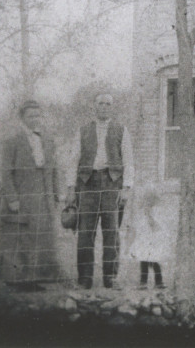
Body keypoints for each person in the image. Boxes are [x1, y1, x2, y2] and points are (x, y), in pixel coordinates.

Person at [66, 92, 134, 289]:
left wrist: (126, 188)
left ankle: (110, 277)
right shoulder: (83, 131)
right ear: (94, 107)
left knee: (111, 231)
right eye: (100, 103)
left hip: (112, 184)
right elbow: (73, 160)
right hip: (87, 184)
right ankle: (85, 277)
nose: (104, 106)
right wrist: (71, 188)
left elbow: (129, 161)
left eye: (108, 104)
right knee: (86, 231)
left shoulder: (121, 130)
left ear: (112, 107)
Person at [0, 100, 61, 290]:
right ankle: (16, 279)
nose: (35, 119)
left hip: (42, 196)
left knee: (39, 238)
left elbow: (54, 169)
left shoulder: (48, 140)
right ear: (22, 118)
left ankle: (34, 278)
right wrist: (12, 199)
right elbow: (6, 173)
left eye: (38, 115)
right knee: (18, 239)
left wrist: (56, 194)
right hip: (21, 195)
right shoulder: (12, 140)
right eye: (31, 116)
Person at [122, 183, 176, 289]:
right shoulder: (144, 213)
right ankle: (146, 282)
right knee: (147, 262)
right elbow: (139, 228)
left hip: (151, 242)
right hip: (145, 242)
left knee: (152, 262)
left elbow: (157, 228)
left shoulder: (155, 212)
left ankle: (155, 282)